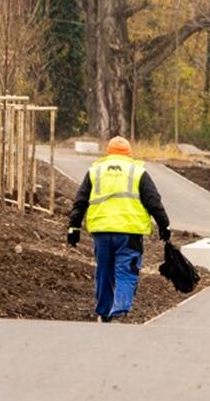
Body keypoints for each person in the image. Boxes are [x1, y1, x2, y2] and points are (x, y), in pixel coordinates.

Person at [67, 136, 171, 322]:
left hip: (102, 231)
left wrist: (73, 227)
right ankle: (120, 309)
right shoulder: (137, 172)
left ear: (108, 152)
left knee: (104, 271)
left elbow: (80, 201)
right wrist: (164, 225)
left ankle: (104, 311)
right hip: (129, 232)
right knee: (126, 270)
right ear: (129, 153)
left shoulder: (95, 171)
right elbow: (153, 201)